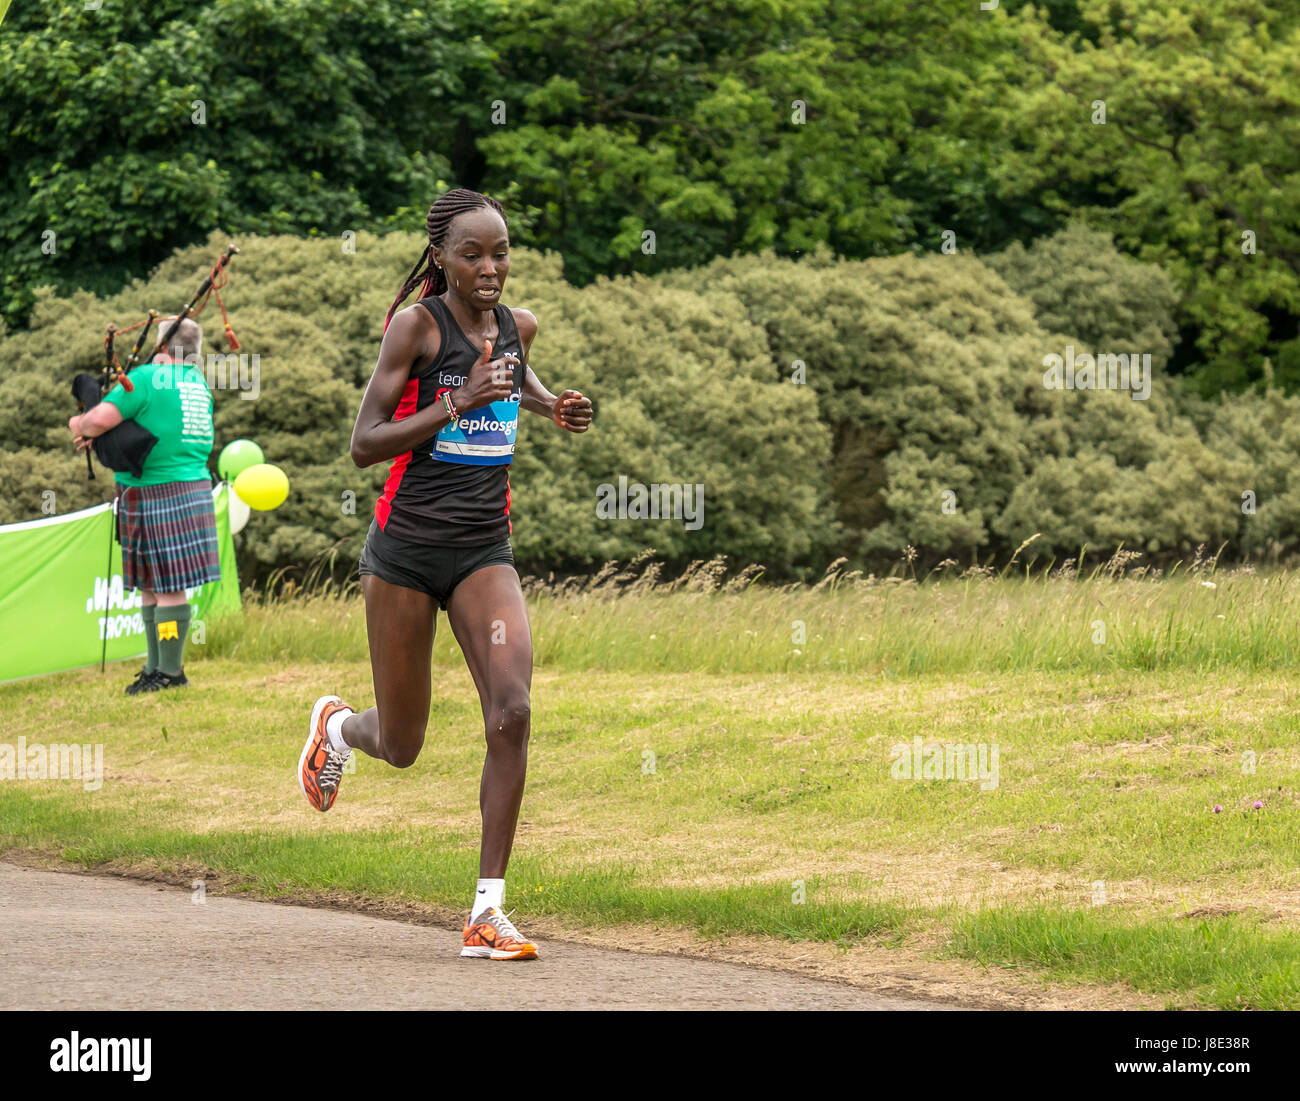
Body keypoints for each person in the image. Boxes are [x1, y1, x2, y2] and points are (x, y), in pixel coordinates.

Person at [298, 188, 592, 961]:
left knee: (513, 708)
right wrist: (457, 402)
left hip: (482, 550)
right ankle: (336, 727)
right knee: (401, 744)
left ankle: (486, 911)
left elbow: (516, 372)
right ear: (442, 258)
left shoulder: (516, 326)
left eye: (500, 253)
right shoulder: (416, 328)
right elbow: (365, 442)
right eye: (473, 254)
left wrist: (550, 404)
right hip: (403, 552)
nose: (489, 267)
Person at [69, 317, 219, 694]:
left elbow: (100, 419)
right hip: (187, 486)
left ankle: (170, 672)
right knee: (153, 587)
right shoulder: (198, 384)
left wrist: (78, 422)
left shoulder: (150, 377)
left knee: (168, 588)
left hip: (158, 491)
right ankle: (155, 668)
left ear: (163, 346)